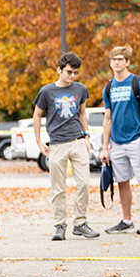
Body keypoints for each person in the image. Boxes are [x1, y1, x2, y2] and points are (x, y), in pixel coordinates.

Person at [33, 52, 99, 241]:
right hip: (57, 143)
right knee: (58, 188)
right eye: (69, 72)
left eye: (75, 73)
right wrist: (39, 141)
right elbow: (37, 115)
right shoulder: (46, 91)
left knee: (84, 183)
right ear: (59, 70)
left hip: (77, 140)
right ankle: (59, 225)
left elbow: (82, 114)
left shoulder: (80, 89)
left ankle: (80, 223)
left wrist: (86, 136)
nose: (72, 76)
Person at [100, 46, 140, 234]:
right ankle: (127, 221)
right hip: (117, 143)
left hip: (136, 140)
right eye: (113, 59)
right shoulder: (108, 87)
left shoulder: (138, 83)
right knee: (122, 181)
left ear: (127, 62)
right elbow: (107, 119)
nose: (116, 62)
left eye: (120, 59)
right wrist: (105, 148)